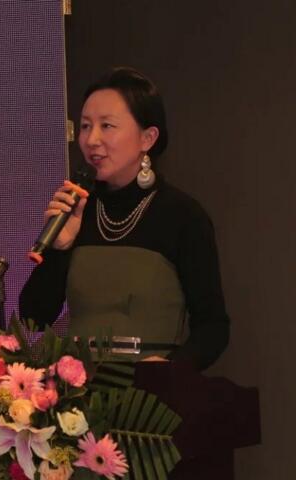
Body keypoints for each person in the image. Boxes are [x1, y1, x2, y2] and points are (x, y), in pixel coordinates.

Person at [19, 67, 229, 370]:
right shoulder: (78, 210)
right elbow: (33, 319)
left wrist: (171, 371)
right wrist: (59, 249)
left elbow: (213, 327)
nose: (91, 139)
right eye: (86, 126)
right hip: (74, 390)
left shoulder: (182, 215)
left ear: (147, 138)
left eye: (107, 126)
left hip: (147, 391)